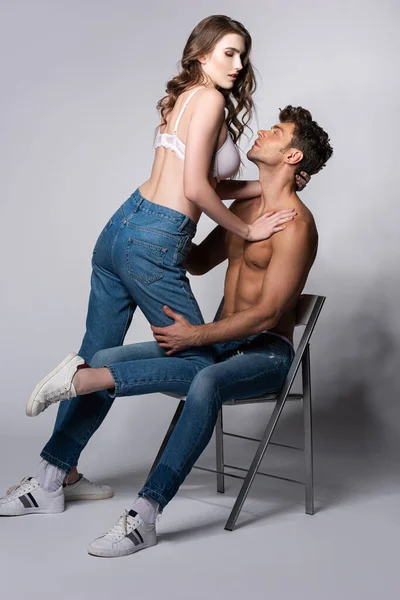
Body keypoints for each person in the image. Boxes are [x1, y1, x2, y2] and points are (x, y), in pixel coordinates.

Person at [1, 105, 333, 560]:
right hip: (218, 344)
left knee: (205, 379)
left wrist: (196, 337)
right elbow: (196, 261)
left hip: (265, 355)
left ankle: (144, 516)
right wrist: (159, 230)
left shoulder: (297, 226)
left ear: (293, 157)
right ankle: (50, 480)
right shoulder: (247, 208)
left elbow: (266, 314)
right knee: (104, 358)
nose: (262, 131)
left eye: (276, 132)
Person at [21, 14, 307, 498]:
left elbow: (200, 178)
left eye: (242, 55)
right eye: (228, 53)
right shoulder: (213, 99)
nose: (238, 64)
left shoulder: (184, 96)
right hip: (155, 239)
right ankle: (81, 378)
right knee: (198, 367)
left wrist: (272, 184)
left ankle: (52, 479)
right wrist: (245, 225)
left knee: (99, 348)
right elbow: (196, 188)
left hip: (122, 227)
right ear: (202, 53)